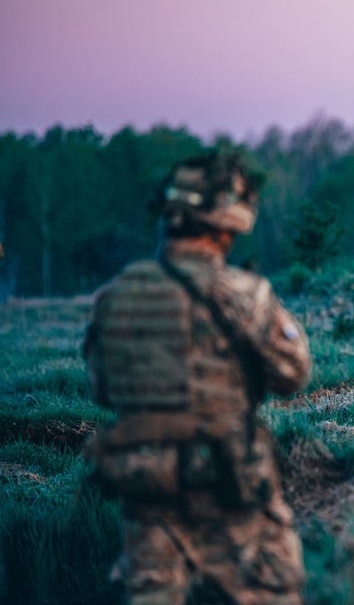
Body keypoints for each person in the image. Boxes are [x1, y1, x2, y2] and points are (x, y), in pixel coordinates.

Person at [83, 150, 312, 604]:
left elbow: (101, 388)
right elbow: (293, 374)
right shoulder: (246, 294)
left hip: (145, 489)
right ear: (226, 223)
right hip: (228, 483)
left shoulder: (114, 296)